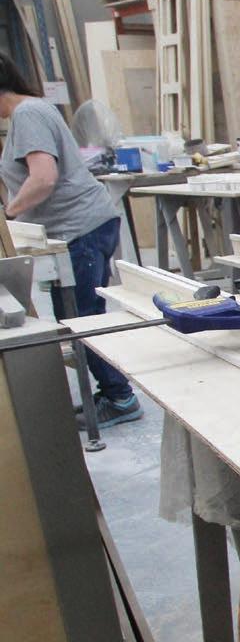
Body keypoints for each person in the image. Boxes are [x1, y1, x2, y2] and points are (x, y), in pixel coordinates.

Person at [0, 53, 142, 425]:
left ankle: (121, 398)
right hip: (80, 227)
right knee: (76, 316)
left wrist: (9, 214)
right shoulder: (29, 112)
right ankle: (112, 392)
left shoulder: (28, 115)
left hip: (79, 228)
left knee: (82, 319)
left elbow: (43, 177)